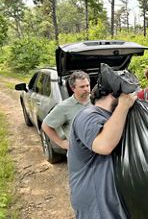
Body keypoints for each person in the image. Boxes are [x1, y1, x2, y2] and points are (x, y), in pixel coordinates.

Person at [67, 82, 137, 219]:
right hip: (96, 205)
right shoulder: (87, 115)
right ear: (116, 94)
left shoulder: (113, 117)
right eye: (127, 93)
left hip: (111, 202)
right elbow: (104, 145)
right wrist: (123, 105)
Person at [41, 71, 91, 150]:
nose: (86, 89)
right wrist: (61, 143)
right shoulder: (64, 107)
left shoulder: (97, 101)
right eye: (82, 87)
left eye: (87, 85)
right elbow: (46, 125)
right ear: (73, 88)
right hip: (78, 155)